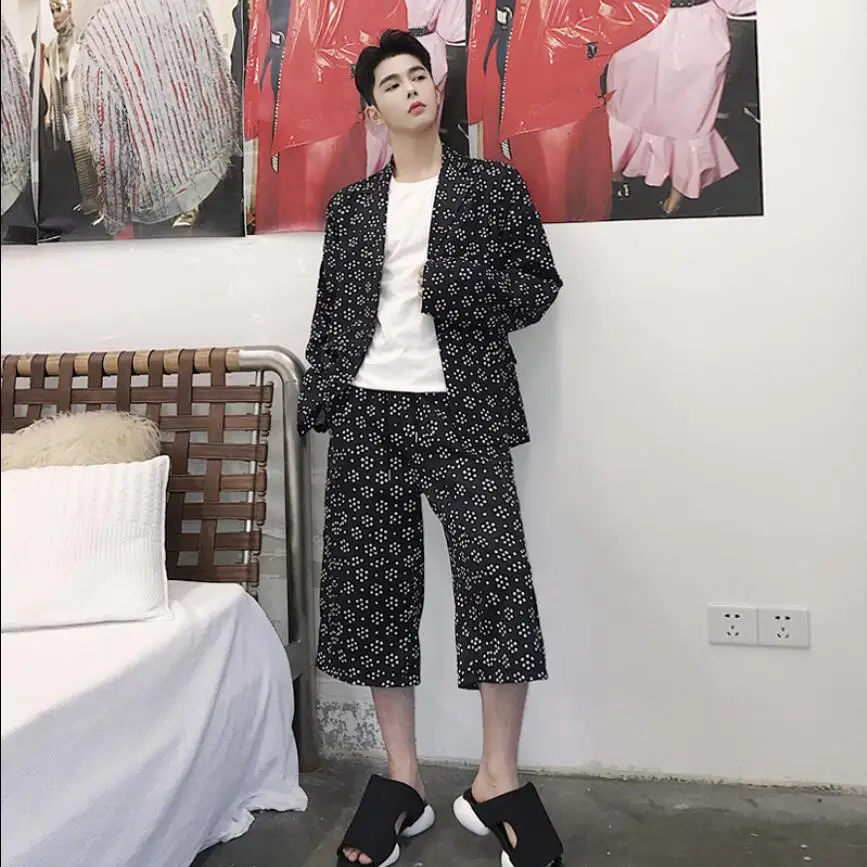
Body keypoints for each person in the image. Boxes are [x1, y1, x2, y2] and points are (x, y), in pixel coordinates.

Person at [298, 28, 564, 867]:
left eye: (420, 75)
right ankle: (401, 778)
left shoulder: (490, 187)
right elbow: (332, 312)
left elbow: (537, 285)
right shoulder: (351, 208)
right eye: (392, 82)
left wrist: (455, 286)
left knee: (496, 579)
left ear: (435, 92)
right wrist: (323, 393)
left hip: (464, 410)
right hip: (369, 413)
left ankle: (496, 779)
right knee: (375, 590)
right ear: (371, 111)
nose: (412, 88)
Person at [467, 0, 669, 224]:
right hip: (499, 60)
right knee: (507, 188)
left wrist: (578, 38)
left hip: (555, 84)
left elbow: (646, 5)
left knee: (553, 201)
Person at [606, 0, 758, 216]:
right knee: (630, 105)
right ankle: (618, 173)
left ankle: (676, 189)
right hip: (642, 23)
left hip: (690, 29)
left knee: (686, 116)